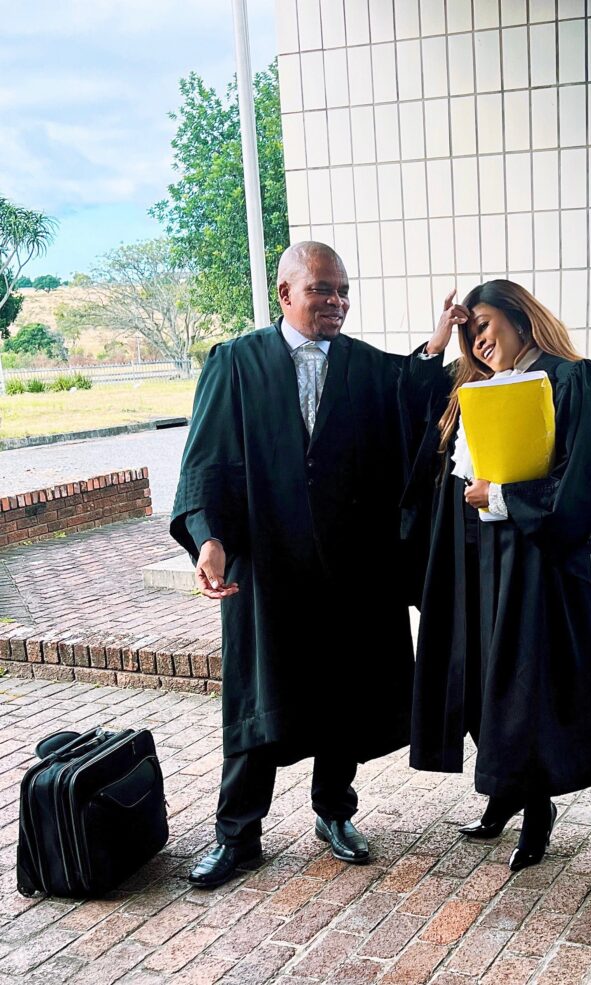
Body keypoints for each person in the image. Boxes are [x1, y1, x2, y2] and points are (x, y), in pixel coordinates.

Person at [170, 242, 438, 887]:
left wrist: (433, 349)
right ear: (286, 292)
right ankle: (238, 836)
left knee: (342, 691)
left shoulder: (367, 367)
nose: (336, 302)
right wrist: (209, 538)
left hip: (350, 564)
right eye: (322, 289)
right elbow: (207, 458)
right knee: (257, 696)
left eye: (343, 290)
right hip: (268, 563)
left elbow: (412, 400)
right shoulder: (236, 363)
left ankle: (334, 812)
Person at [402, 279, 591, 871]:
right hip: (474, 560)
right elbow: (406, 413)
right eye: (469, 332)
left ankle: (537, 809)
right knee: (479, 675)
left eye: (483, 324)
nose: (477, 340)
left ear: (521, 317)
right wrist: (439, 337)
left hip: (540, 566)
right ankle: (504, 789)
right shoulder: (472, 390)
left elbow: (586, 485)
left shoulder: (575, 381)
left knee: (524, 684)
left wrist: (503, 494)